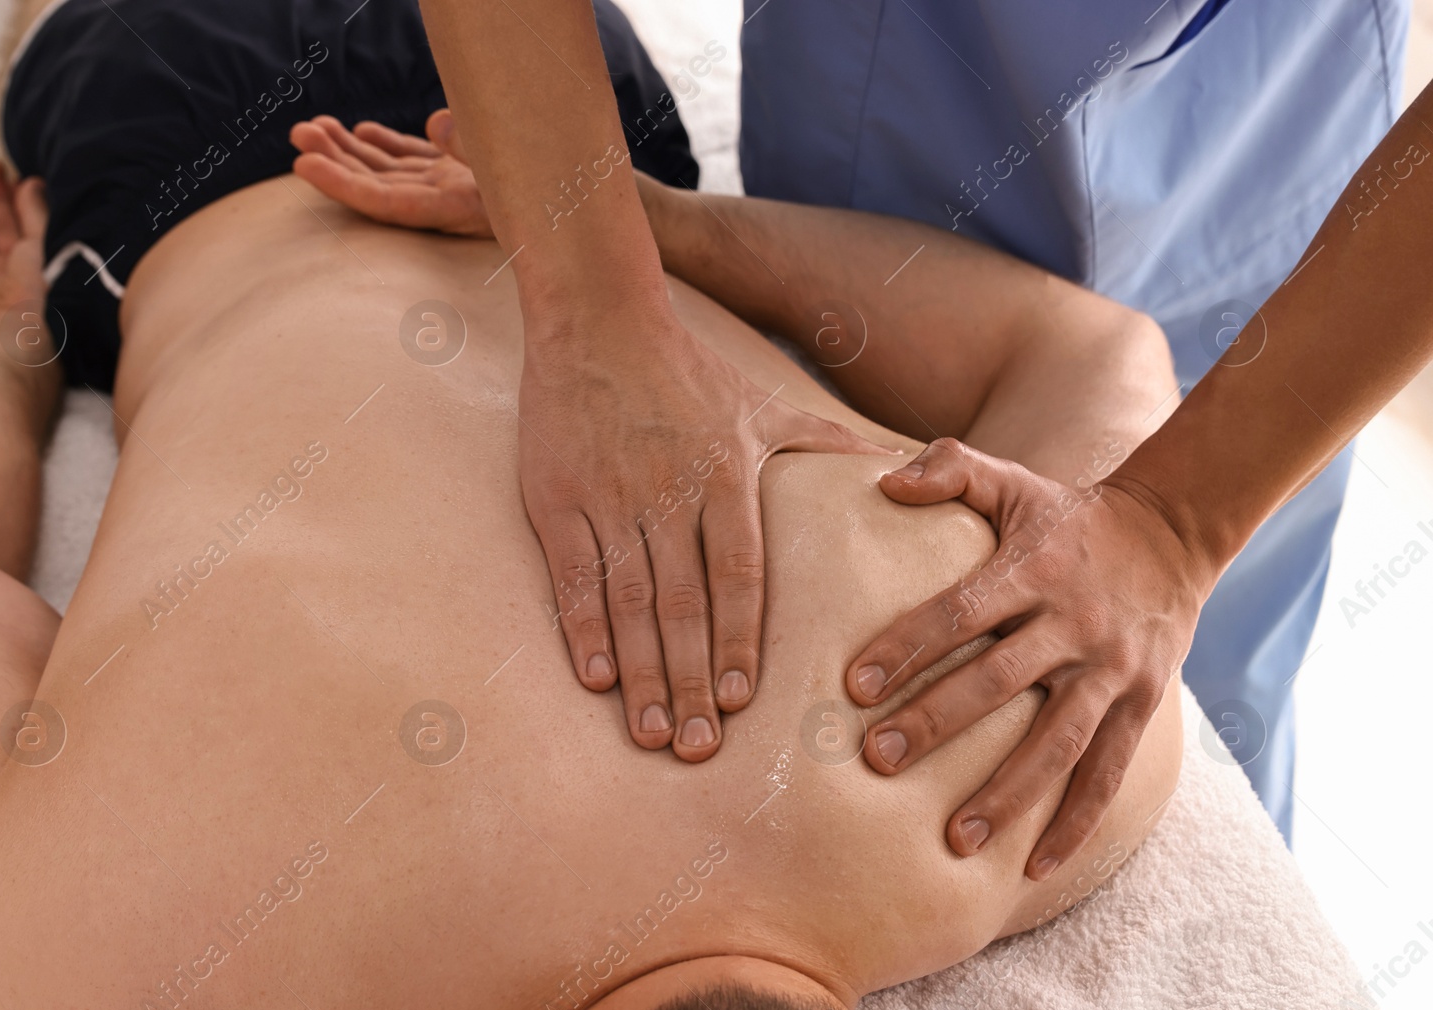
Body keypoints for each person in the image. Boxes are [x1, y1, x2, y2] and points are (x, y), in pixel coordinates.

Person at [0, 0, 1183, 1010]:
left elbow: (1094, 354)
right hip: (305, 154)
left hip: (560, 128)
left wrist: (650, 230)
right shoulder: (125, 966)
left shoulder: (1050, 754)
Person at [410, 0, 1433, 871]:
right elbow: (1090, 350)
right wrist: (597, 298)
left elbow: (1091, 357)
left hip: (1269, 131)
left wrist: (1178, 526)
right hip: (889, 109)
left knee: (1193, 731)